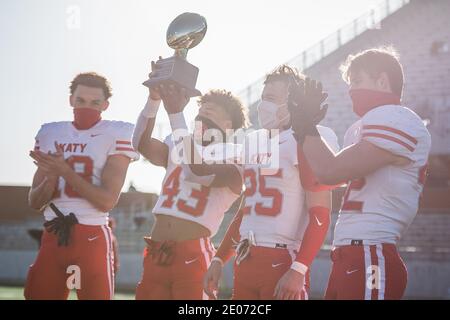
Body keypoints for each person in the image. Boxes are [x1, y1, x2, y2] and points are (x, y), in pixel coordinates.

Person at [288, 47, 431, 299]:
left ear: (382, 81)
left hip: (371, 253)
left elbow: (330, 171)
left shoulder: (397, 118)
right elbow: (317, 179)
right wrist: (302, 130)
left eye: (357, 80)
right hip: (348, 254)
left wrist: (307, 128)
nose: (351, 89)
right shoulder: (361, 126)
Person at [204, 65, 340, 300]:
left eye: (270, 98)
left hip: (282, 258)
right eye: (262, 97)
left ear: (292, 102)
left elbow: (320, 213)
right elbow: (245, 210)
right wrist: (219, 258)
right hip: (246, 257)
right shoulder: (253, 141)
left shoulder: (311, 137)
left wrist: (299, 269)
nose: (262, 105)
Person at [132, 61, 248, 300]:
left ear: (227, 125)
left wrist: (175, 113)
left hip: (193, 255)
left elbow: (199, 173)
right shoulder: (180, 141)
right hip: (156, 250)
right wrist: (154, 99)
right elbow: (141, 144)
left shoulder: (236, 153)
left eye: (210, 112)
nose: (201, 116)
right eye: (200, 111)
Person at [25, 72, 139, 300]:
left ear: (105, 105)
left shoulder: (117, 133)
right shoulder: (50, 133)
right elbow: (35, 202)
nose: (87, 107)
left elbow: (106, 201)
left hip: (92, 238)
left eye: (95, 102)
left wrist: (65, 171)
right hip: (53, 233)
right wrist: (52, 177)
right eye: (81, 101)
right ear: (71, 101)